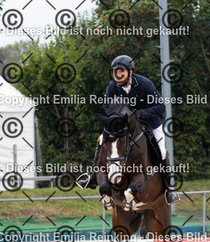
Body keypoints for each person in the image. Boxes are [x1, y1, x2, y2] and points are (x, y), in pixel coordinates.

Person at [77, 55, 180, 204]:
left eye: (121, 71)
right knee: (101, 139)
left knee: (162, 150)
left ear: (130, 72)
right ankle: (93, 176)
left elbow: (160, 107)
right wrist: (116, 116)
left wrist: (139, 114)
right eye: (115, 72)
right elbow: (106, 105)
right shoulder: (113, 86)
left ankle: (169, 188)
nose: (118, 75)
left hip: (149, 121)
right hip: (124, 122)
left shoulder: (145, 84)